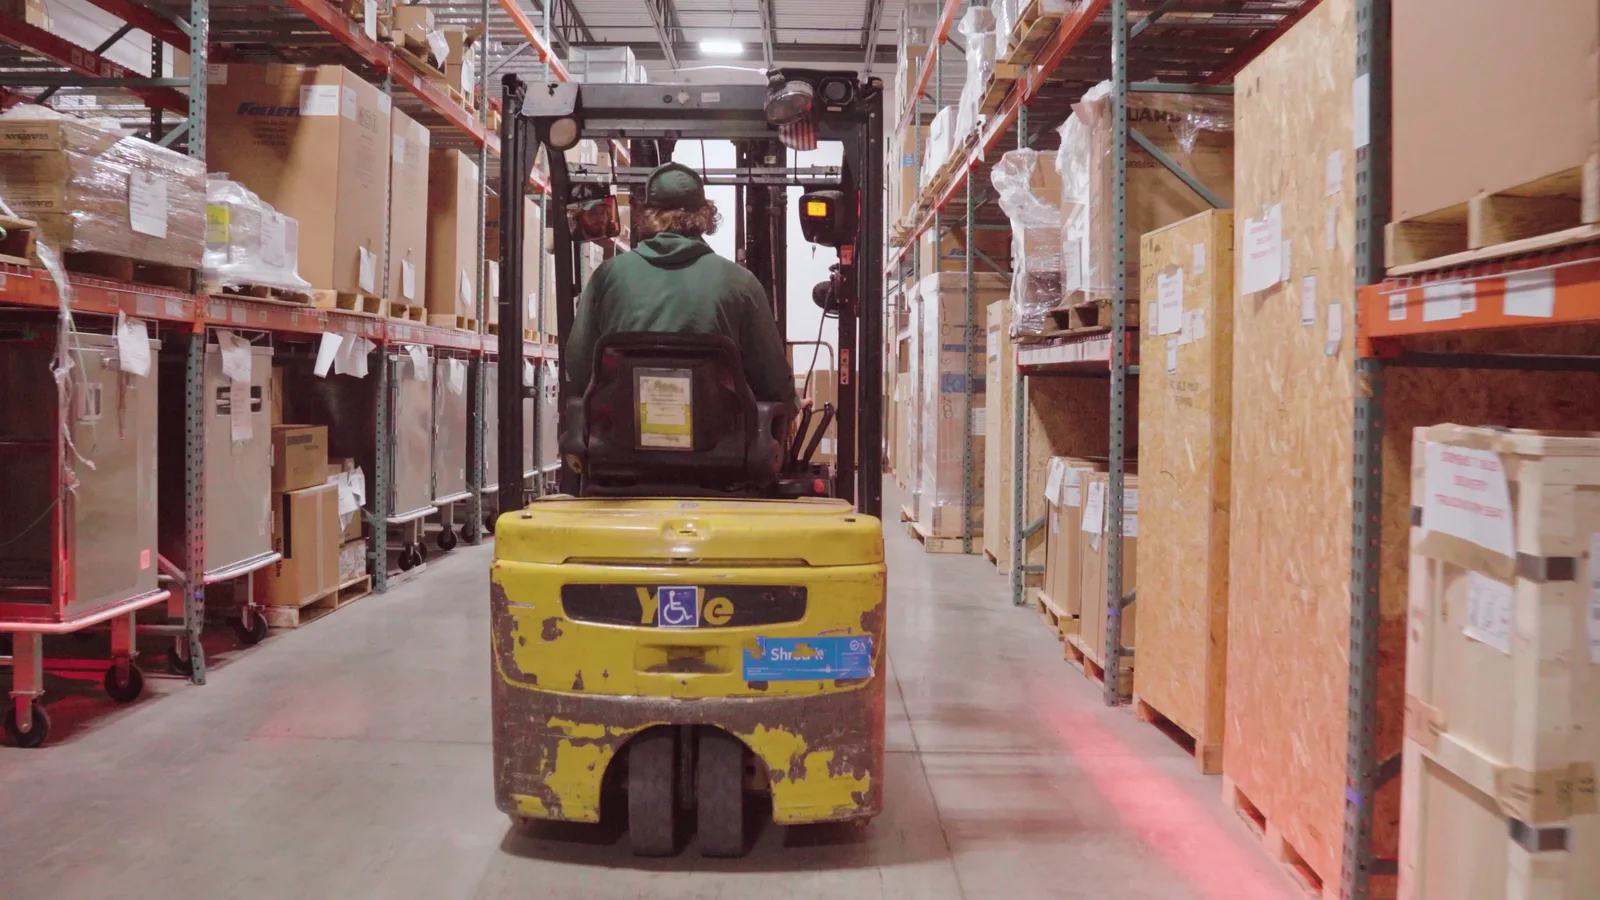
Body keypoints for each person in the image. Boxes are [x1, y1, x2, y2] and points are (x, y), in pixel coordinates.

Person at [564, 162, 797, 409]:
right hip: (720, 441)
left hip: (621, 438)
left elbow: (578, 367)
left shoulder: (606, 277)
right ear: (706, 214)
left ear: (646, 214)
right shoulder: (741, 283)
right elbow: (771, 380)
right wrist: (791, 403)